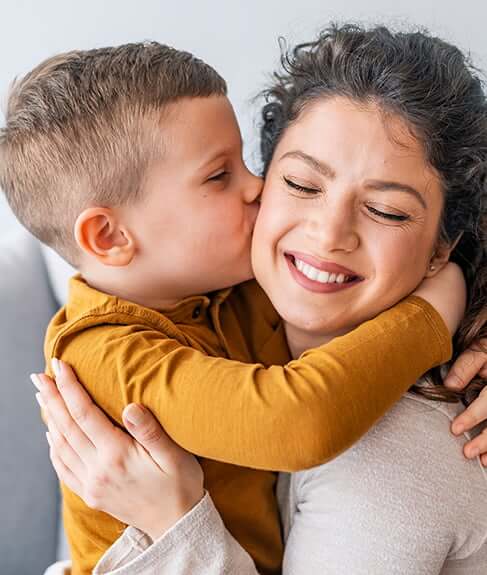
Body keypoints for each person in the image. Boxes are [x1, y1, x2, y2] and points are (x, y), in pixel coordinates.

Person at [36, 24, 487, 574]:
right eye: (299, 184)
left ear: (444, 246)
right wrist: (445, 297)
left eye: (387, 211)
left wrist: (172, 518)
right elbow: (295, 416)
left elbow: (302, 418)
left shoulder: (391, 462)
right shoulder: (162, 315)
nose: (327, 234)